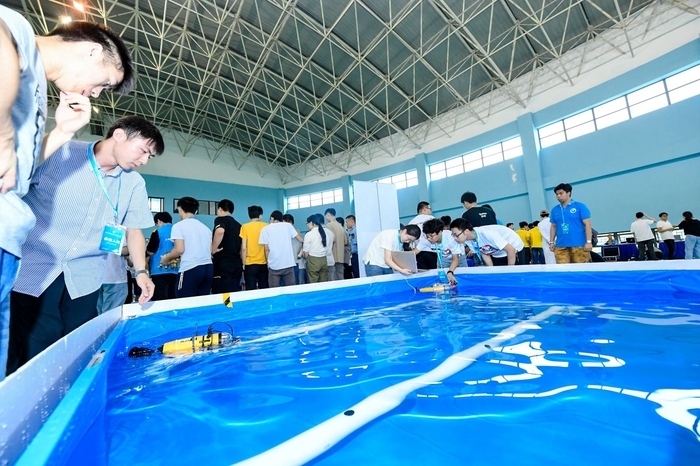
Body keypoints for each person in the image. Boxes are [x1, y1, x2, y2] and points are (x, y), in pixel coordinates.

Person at [0, 10, 134, 380]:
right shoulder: (21, 36)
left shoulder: (36, 92)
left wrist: (61, 132)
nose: (95, 94)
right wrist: (4, 137)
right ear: (92, 52)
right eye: (104, 83)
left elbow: (20, 173)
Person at [7, 116, 161, 375]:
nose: (144, 160)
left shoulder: (134, 182)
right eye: (144, 150)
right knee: (32, 349)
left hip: (85, 278)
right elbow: (15, 180)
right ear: (120, 135)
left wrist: (141, 272)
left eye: (150, 157)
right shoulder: (61, 154)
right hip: (35, 269)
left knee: (77, 351)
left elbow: (134, 229)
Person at [160, 197, 213, 298]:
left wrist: (166, 258)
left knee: (184, 302)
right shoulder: (206, 228)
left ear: (179, 209)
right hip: (208, 269)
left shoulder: (179, 226)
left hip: (191, 269)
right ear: (196, 211)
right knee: (201, 303)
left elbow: (179, 249)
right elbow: (210, 250)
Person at [549, 183, 593, 264]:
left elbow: (588, 224)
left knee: (581, 271)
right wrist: (551, 242)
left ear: (568, 193)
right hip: (560, 246)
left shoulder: (580, 206)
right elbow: (553, 226)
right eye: (556, 194)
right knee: (564, 272)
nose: (558, 196)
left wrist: (589, 242)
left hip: (579, 245)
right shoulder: (554, 210)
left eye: (561, 193)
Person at [450, 219, 524, 266]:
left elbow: (511, 249)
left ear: (466, 231)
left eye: (456, 235)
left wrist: (510, 270)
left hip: (515, 248)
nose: (455, 238)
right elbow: (484, 252)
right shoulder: (468, 240)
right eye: (453, 236)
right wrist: (491, 270)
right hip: (498, 253)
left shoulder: (487, 234)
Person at [259, 210, 303, 287]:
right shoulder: (288, 226)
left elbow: (266, 249)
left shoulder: (265, 229)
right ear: (281, 219)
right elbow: (300, 239)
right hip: (288, 264)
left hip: (274, 265)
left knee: (274, 291)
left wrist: (268, 263)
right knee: (291, 289)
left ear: (272, 218)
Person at [211, 199, 243, 293]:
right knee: (233, 293)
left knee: (222, 294)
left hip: (223, 264)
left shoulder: (220, 219)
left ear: (220, 209)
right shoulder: (238, 225)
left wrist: (213, 249)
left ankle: (225, 306)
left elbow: (220, 231)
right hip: (236, 264)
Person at [147, 212, 179, 301]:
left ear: (159, 221)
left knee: (159, 300)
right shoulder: (178, 230)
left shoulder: (157, 232)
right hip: (176, 270)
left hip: (159, 271)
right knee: (173, 299)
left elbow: (150, 251)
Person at [419, 219, 460, 285]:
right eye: (427, 236)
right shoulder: (425, 239)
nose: (429, 238)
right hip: (442, 257)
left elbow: (455, 259)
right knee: (442, 279)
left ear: (440, 232)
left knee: (460, 277)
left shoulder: (451, 238)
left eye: (432, 236)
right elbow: (415, 251)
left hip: (458, 256)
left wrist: (450, 272)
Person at [240, 206, 269, 290]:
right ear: (260, 216)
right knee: (264, 289)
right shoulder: (266, 226)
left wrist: (243, 263)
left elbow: (243, 248)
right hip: (263, 262)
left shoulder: (245, 227)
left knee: (251, 289)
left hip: (250, 263)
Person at [408, 201, 436, 269]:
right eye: (430, 209)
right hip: (431, 251)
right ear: (425, 209)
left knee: (422, 273)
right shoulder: (431, 219)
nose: (430, 211)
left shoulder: (411, 222)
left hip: (417, 252)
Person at [302, 215, 329, 283]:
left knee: (313, 283)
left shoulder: (309, 234)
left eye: (307, 223)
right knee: (323, 283)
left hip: (313, 260)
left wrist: (304, 256)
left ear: (312, 222)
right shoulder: (324, 233)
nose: (307, 225)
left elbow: (306, 253)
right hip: (324, 260)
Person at [324, 208, 347, 281]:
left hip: (333, 255)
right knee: (340, 276)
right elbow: (345, 242)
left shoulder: (329, 225)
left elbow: (333, 239)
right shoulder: (341, 226)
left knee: (333, 278)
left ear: (328, 215)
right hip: (341, 255)